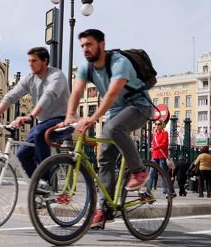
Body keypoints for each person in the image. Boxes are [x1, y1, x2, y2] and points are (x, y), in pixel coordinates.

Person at [60, 29, 153, 229]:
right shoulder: (87, 67)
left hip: (139, 106)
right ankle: (104, 209)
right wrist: (70, 115)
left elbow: (111, 95)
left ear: (101, 45)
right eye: (82, 45)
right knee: (104, 158)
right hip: (115, 111)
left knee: (113, 129)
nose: (85, 49)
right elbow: (76, 91)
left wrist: (92, 119)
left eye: (89, 44)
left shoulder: (120, 62)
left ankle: (139, 171)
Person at [0, 46, 70, 178]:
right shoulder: (30, 79)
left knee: (40, 133)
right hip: (43, 122)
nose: (30, 64)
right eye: (29, 61)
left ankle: (46, 181)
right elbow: (11, 96)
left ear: (45, 61)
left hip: (63, 120)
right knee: (22, 154)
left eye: (34, 61)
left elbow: (48, 96)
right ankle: (38, 186)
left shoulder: (57, 76)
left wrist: (30, 116)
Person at [149, 120, 175, 198]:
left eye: (159, 124)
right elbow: (153, 144)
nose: (157, 125)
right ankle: (148, 191)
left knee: (163, 174)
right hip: (154, 156)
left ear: (162, 125)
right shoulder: (154, 134)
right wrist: (153, 148)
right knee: (151, 173)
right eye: (156, 124)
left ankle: (167, 192)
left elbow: (164, 144)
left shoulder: (165, 133)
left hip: (162, 156)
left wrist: (154, 148)